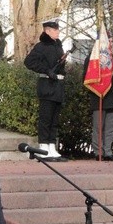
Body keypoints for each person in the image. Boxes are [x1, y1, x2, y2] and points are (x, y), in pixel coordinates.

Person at [24, 18, 68, 162]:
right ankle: (43, 148)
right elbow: (29, 62)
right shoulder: (41, 46)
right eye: (55, 30)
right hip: (47, 86)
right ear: (47, 31)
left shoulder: (57, 46)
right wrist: (47, 71)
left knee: (54, 120)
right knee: (46, 119)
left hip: (57, 86)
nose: (58, 32)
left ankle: (51, 147)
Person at [83, 50, 113, 161]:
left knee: (110, 129)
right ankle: (98, 152)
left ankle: (108, 152)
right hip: (99, 98)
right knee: (98, 127)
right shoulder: (92, 59)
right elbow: (86, 79)